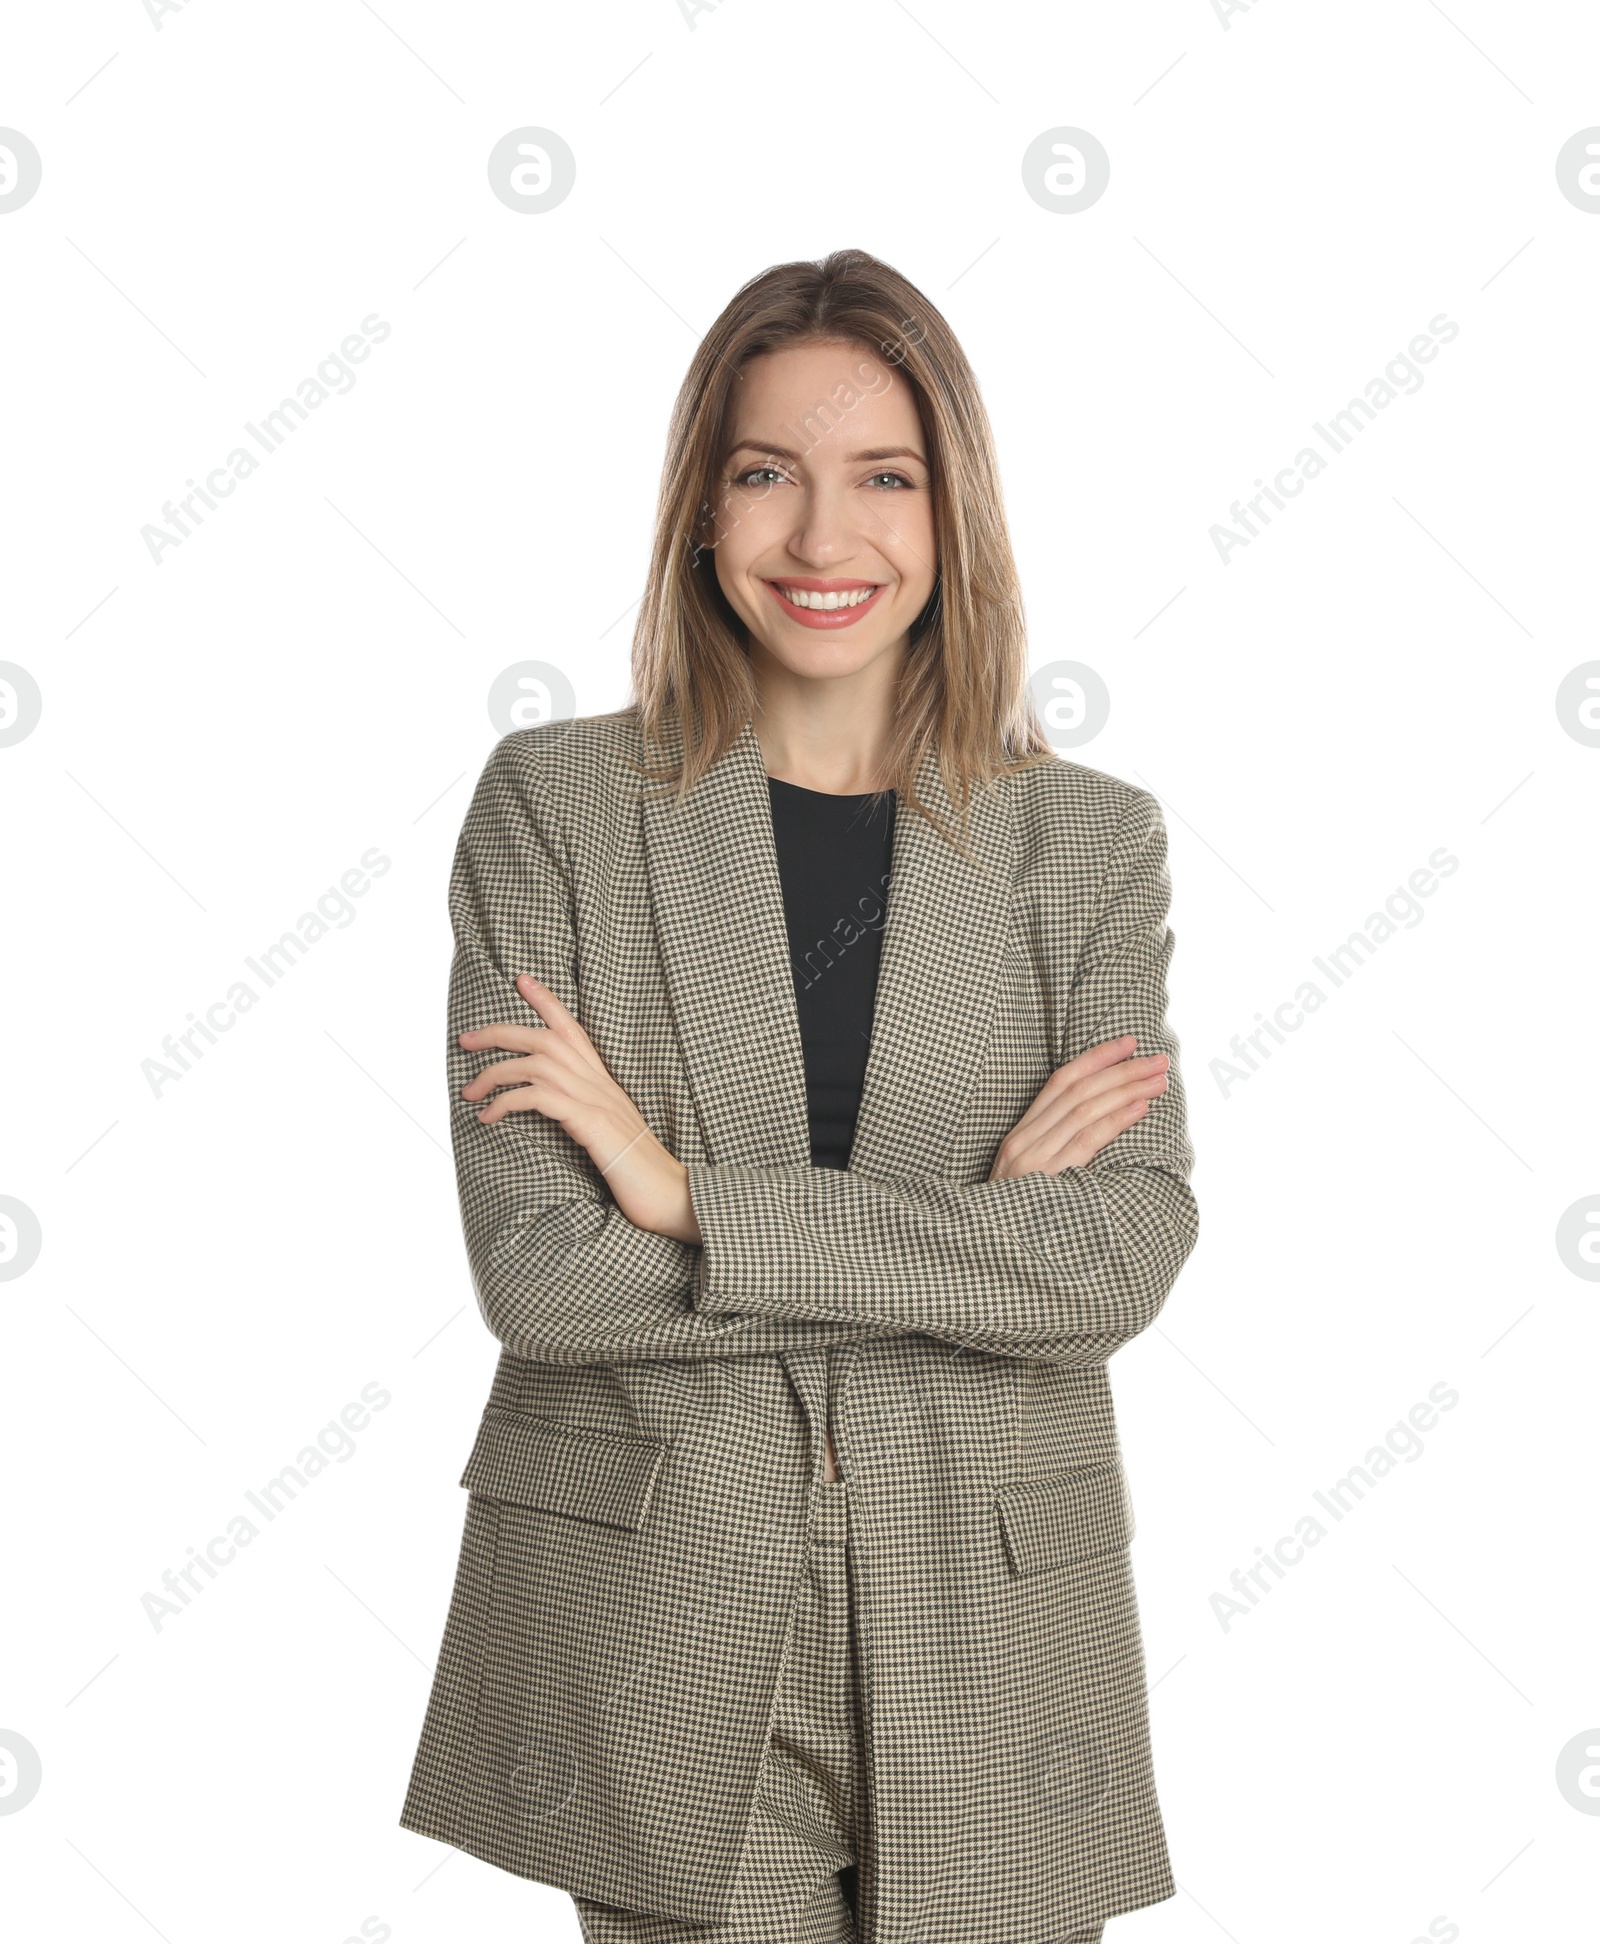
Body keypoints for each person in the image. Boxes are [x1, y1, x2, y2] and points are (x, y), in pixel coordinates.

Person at [400, 247, 1199, 1944]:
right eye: (768, 474)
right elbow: (542, 1275)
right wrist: (975, 1245)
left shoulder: (1085, 846)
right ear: (702, 507)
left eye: (883, 479)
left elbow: (1115, 1264)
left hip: (987, 1621)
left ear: (952, 511)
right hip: (660, 1620)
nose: (823, 541)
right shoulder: (555, 811)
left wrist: (691, 1201)